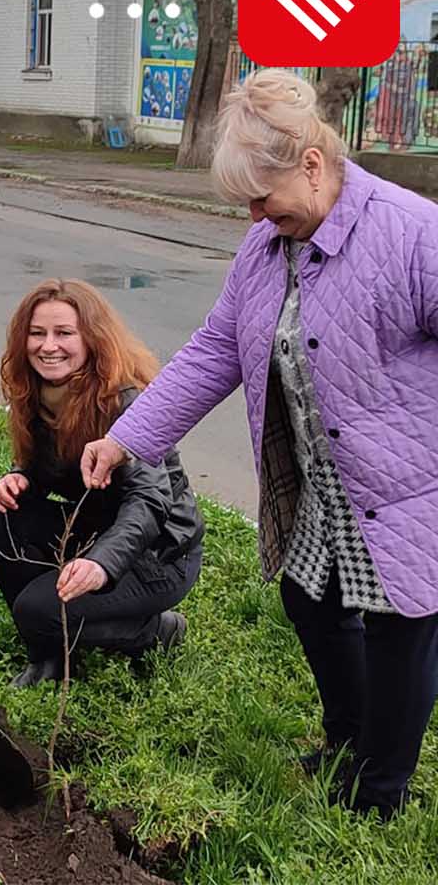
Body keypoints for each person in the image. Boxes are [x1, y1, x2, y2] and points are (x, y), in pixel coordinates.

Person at [83, 69, 438, 820]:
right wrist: (124, 439)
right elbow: (216, 350)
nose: (253, 215)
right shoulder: (266, 245)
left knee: (400, 628)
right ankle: (348, 741)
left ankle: (380, 791)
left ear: (311, 165)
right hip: (319, 478)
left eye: (261, 198)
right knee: (311, 598)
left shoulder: (412, 232)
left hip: (408, 484)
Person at [0, 280, 203, 688]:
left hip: (160, 553)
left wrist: (102, 563)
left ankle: (157, 631)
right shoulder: (38, 392)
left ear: (91, 338)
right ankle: (47, 654)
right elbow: (43, 464)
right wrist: (20, 478)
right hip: (96, 527)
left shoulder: (127, 402)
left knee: (35, 609)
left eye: (64, 333)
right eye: (37, 333)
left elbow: (149, 499)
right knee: (1, 520)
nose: (49, 346)